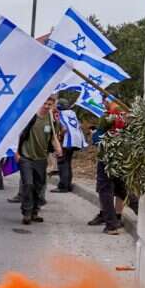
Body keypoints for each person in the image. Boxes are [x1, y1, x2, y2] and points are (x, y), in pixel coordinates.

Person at [17, 95, 62, 226]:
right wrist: (17, 152)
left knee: (38, 186)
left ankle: (34, 211)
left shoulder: (52, 120)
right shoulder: (30, 117)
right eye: (45, 103)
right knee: (28, 184)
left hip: (41, 158)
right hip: (26, 156)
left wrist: (58, 147)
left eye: (49, 104)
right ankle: (26, 212)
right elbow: (18, 134)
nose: (46, 106)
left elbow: (53, 137)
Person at [88, 100, 128, 235]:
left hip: (106, 158)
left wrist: (94, 134)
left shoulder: (108, 116)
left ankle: (111, 224)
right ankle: (139, 212)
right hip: (122, 157)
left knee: (105, 189)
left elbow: (98, 139)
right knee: (121, 189)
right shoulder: (126, 115)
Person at [52, 100, 85, 193]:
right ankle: (68, 184)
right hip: (76, 141)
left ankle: (63, 186)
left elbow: (64, 128)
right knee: (68, 163)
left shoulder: (60, 114)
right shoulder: (72, 114)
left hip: (66, 141)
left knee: (62, 164)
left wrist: (59, 136)